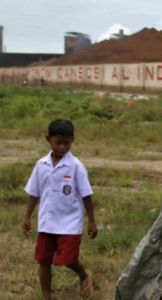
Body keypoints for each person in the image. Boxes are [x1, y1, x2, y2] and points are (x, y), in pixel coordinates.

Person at [22, 119, 97, 300]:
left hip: (69, 222)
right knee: (43, 260)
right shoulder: (41, 165)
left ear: (73, 141)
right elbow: (34, 192)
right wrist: (27, 216)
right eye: (58, 142)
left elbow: (86, 195)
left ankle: (83, 273)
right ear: (48, 139)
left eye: (67, 143)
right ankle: (47, 295)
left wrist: (92, 222)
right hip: (47, 222)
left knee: (68, 260)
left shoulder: (76, 166)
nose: (62, 147)